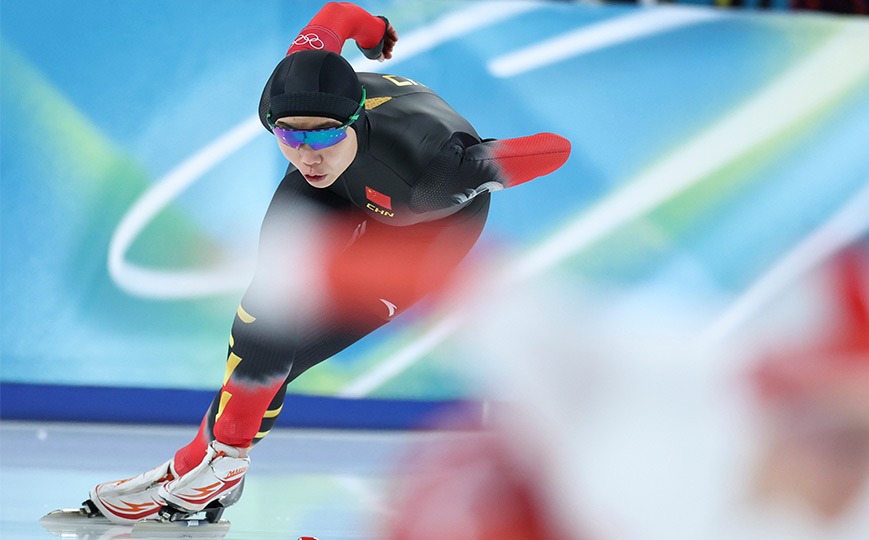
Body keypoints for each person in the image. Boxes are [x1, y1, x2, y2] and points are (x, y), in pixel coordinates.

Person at [81, 2, 570, 525]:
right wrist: (377, 34)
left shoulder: (435, 175)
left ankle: (205, 464)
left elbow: (556, 148)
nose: (306, 154)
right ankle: (219, 463)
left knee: (292, 355)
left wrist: (484, 164)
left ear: (354, 120)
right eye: (290, 137)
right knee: (264, 315)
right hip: (340, 186)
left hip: (421, 222)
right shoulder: (291, 91)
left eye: (322, 134)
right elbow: (337, 14)